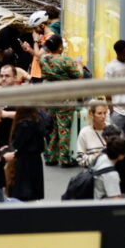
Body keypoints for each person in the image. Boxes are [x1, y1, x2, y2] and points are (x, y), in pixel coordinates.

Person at [39, 34, 82, 166]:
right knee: (64, 127)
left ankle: (51, 157)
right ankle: (64, 158)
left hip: (47, 95)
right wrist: (79, 65)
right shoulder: (66, 60)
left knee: (50, 127)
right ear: (59, 47)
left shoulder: (43, 60)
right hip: (64, 96)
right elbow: (78, 76)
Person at [9, 106, 45, 202]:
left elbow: (17, 143)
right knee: (33, 190)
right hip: (36, 159)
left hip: (24, 160)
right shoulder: (37, 122)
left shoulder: (23, 125)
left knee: (23, 190)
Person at [104, 39, 125, 137]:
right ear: (119, 53)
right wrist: (111, 109)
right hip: (117, 110)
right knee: (114, 137)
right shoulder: (111, 67)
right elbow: (106, 90)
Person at [75, 100, 113, 167]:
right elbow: (80, 159)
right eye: (99, 113)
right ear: (91, 114)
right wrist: (96, 157)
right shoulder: (84, 133)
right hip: (94, 172)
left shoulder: (113, 129)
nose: (103, 116)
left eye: (105, 113)